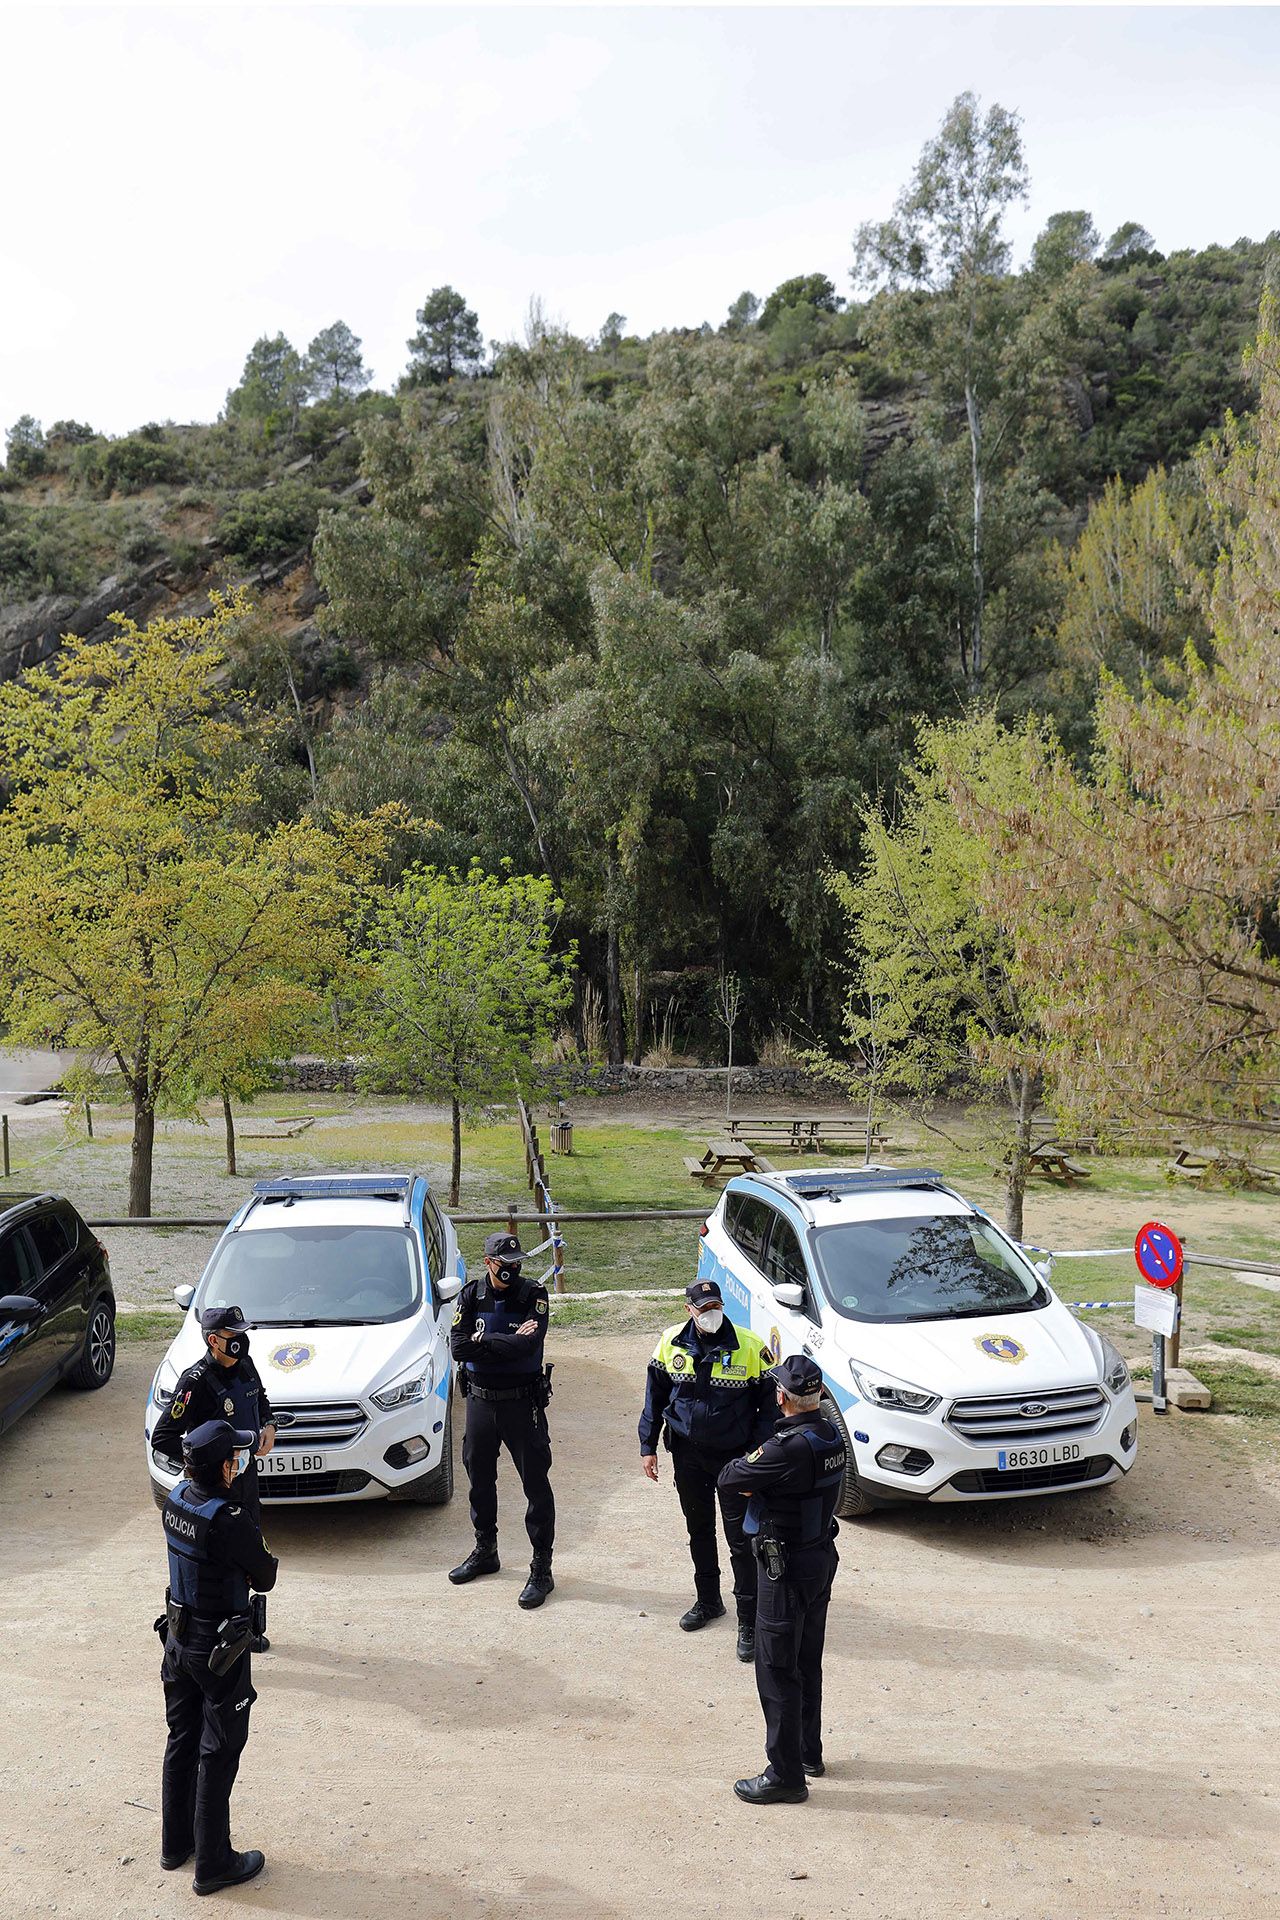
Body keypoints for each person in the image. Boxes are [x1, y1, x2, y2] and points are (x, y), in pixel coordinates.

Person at [157, 1418, 278, 1895]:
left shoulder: (175, 1502)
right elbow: (264, 1574)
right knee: (220, 1749)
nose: (241, 1462)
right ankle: (214, 1864)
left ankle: (176, 1845)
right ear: (227, 1467)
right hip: (218, 1650)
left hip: (177, 1638)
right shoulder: (230, 1520)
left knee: (182, 1738)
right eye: (236, 1457)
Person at [718, 1354, 845, 1804]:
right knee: (808, 1661)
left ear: (781, 1398)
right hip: (818, 1559)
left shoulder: (784, 1448)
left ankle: (786, 1774)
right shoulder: (830, 1435)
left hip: (784, 1568)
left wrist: (764, 1482)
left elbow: (730, 1477)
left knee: (775, 1668)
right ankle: (808, 1752)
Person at [638, 1278, 774, 1660]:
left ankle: (748, 1617)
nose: (711, 1315)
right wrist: (648, 1445)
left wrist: (757, 1460)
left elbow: (769, 1411)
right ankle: (708, 1600)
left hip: (735, 1460)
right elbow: (655, 1398)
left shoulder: (750, 1347)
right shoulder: (670, 1343)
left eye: (716, 1307)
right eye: (703, 1309)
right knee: (698, 1530)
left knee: (740, 1539)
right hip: (688, 1455)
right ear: (689, 1310)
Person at [151, 1305, 276, 1649]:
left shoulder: (246, 1365)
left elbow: (261, 1401)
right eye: (232, 1336)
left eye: (242, 1333)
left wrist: (269, 1426)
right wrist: (202, 1469)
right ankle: (205, 1633)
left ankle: (249, 1631)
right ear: (213, 1341)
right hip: (214, 1490)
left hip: (245, 1479)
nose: (240, 1341)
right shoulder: (195, 1383)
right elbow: (163, 1438)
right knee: (214, 1561)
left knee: (249, 1553)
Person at [448, 1232, 555, 1608]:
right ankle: (485, 1550)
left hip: (521, 1403)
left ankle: (542, 1567)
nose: (512, 1269)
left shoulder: (534, 1295)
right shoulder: (471, 1295)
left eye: (516, 1263)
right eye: (504, 1263)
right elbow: (458, 1347)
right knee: (479, 1478)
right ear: (488, 1262)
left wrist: (484, 1342)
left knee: (535, 1485)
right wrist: (503, 1342)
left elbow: (530, 1344)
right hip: (479, 1402)